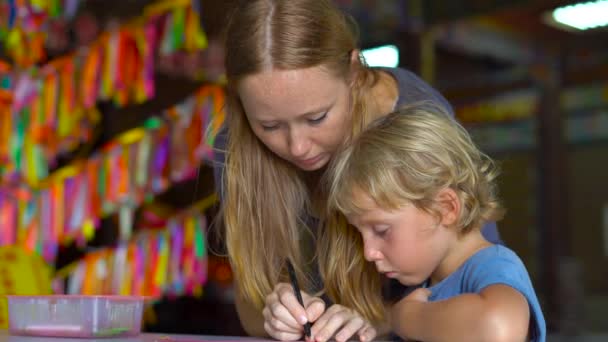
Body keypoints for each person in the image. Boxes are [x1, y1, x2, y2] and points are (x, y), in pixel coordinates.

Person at [215, 0, 502, 340]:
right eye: (269, 125)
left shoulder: (413, 122)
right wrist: (273, 313)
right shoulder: (235, 147)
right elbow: (248, 300)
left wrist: (382, 320)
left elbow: (476, 302)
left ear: (352, 71)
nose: (298, 146)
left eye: (316, 118)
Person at [324, 102, 546, 342]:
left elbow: (498, 326)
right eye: (360, 233)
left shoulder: (492, 266)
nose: (368, 252)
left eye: (381, 230)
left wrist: (407, 318)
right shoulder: (427, 284)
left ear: (446, 208)